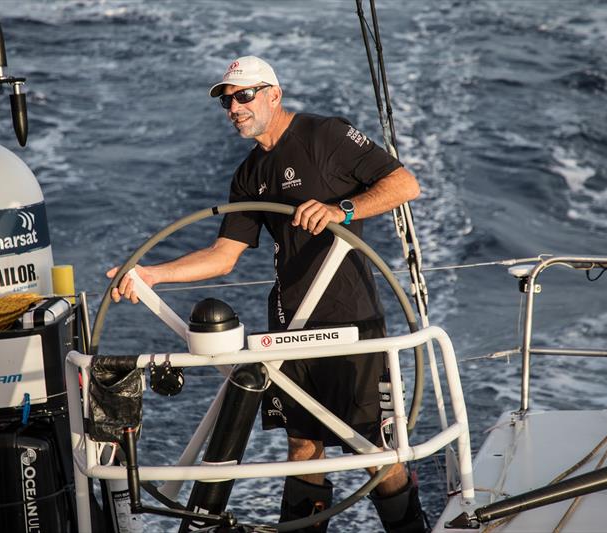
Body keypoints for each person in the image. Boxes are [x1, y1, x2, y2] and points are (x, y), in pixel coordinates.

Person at [108, 56, 425, 532]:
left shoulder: (326, 135)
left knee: (373, 453)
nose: (234, 107)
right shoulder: (249, 173)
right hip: (289, 325)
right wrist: (152, 274)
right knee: (301, 450)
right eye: (227, 100)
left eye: (243, 95)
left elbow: (404, 184)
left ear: (273, 94)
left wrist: (343, 208)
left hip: (350, 320)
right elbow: (223, 255)